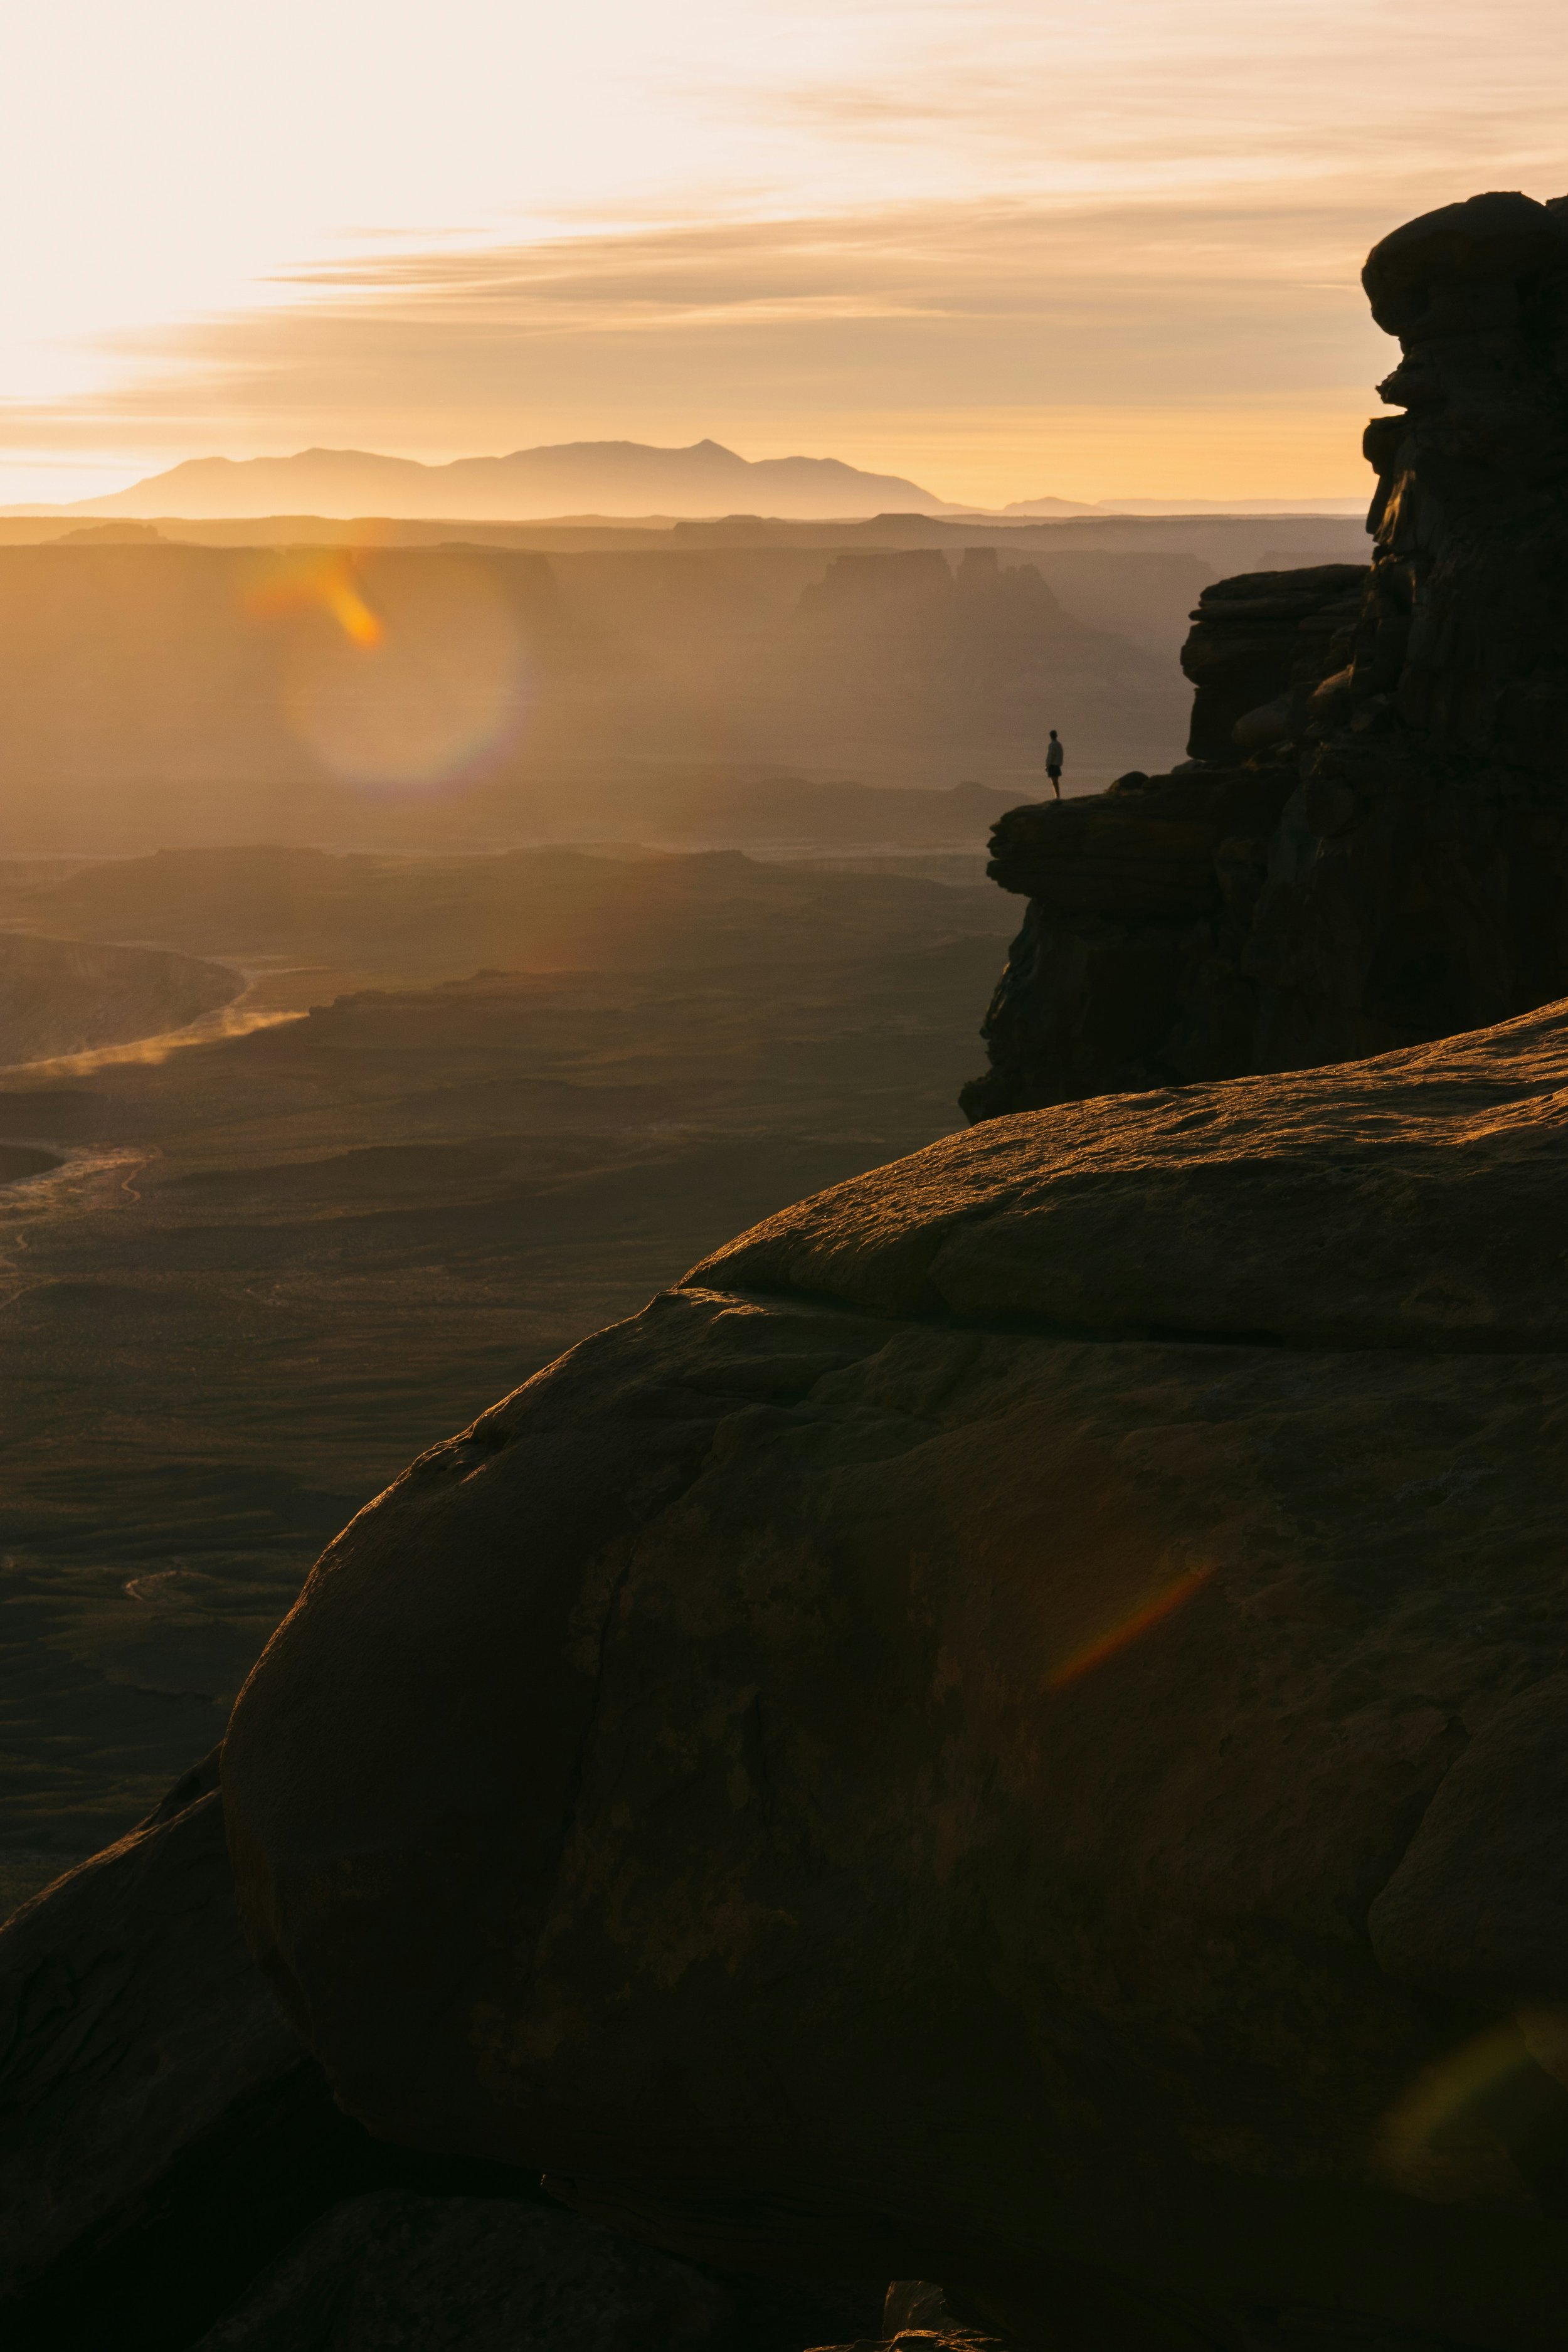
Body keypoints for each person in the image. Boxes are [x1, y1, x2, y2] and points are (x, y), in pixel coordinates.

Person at [1045, 728, 1064, 799]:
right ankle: (1058, 796)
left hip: (1053, 765)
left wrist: (1047, 765)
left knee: (1054, 782)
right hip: (1058, 765)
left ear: (1051, 736)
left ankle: (1057, 797)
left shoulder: (1052, 745)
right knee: (1056, 782)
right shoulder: (1059, 744)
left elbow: (1050, 756)